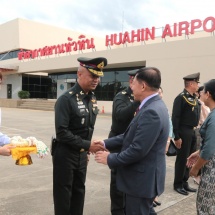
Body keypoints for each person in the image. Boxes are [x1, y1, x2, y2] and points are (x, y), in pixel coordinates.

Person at [95, 67, 169, 215]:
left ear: (143, 86)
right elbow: (130, 135)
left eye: (133, 83)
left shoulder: (151, 111)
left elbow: (138, 149)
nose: (131, 86)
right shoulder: (154, 105)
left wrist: (110, 158)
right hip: (144, 179)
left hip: (141, 182)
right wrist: (105, 143)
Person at [52, 57, 107, 215]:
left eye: (97, 76)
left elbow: (87, 128)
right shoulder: (66, 99)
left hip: (81, 155)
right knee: (64, 196)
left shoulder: (92, 98)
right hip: (65, 155)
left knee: (79, 193)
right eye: (92, 75)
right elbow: (62, 133)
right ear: (79, 74)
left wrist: (86, 149)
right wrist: (87, 145)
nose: (96, 80)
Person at [108, 69, 140, 215]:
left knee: (130, 177)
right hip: (118, 142)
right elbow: (120, 116)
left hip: (133, 142)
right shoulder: (122, 96)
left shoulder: (143, 98)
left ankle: (127, 207)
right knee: (117, 179)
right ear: (131, 81)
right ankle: (117, 210)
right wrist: (136, 102)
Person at [187, 79, 215, 215]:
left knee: (205, 207)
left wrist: (195, 168)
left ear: (208, 94)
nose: (200, 94)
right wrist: (198, 152)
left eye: (202, 91)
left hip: (212, 170)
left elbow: (210, 149)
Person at [172, 72, 201, 195]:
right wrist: (177, 136)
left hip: (192, 131)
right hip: (183, 131)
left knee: (190, 158)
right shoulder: (181, 97)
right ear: (190, 83)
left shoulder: (193, 97)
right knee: (182, 158)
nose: (198, 85)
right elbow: (175, 117)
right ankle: (178, 183)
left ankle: (184, 182)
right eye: (196, 83)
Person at [193, 86, 210, 185]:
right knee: (199, 150)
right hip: (200, 130)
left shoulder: (208, 106)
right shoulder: (199, 104)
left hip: (206, 130)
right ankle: (197, 175)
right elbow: (202, 119)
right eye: (203, 92)